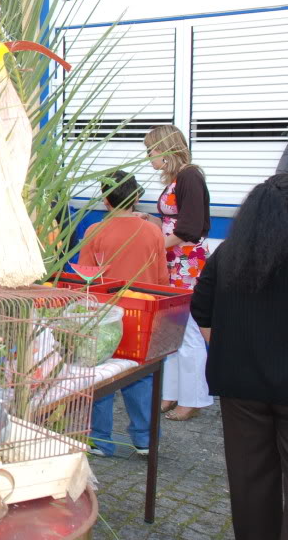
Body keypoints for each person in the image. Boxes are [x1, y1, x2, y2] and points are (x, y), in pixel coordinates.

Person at [191, 174, 288, 540]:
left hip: (240, 387)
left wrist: (235, 346)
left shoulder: (230, 254)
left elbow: (201, 308)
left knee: (250, 483)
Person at [78, 171, 167, 457]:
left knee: (102, 375)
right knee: (140, 375)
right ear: (137, 196)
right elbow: (162, 278)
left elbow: (86, 280)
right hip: (142, 313)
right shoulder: (153, 231)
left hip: (105, 314)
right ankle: (144, 439)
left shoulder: (94, 232)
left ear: (105, 199)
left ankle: (101, 440)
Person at [143, 125, 212, 422]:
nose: (148, 157)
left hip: (186, 264)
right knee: (170, 329)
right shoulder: (179, 178)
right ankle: (171, 393)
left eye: (151, 150)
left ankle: (193, 397)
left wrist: (156, 246)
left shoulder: (189, 176)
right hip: (174, 261)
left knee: (191, 331)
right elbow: (175, 223)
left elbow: (189, 228)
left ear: (165, 149)